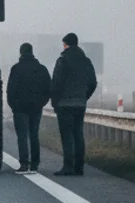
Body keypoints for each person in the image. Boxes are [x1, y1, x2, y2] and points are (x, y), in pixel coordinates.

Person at [50, 33, 97, 176]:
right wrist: (84, 97)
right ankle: (79, 167)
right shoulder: (86, 61)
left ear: (65, 44)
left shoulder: (63, 60)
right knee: (78, 134)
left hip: (64, 104)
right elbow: (93, 82)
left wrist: (55, 101)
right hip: (80, 104)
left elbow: (56, 83)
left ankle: (68, 166)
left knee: (67, 136)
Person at [7, 42, 52, 174]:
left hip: (20, 108)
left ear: (21, 52)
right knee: (34, 135)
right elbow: (48, 88)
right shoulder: (41, 69)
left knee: (22, 136)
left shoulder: (16, 68)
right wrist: (42, 102)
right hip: (36, 107)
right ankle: (35, 164)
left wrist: (13, 105)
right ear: (32, 52)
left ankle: (24, 163)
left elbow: (10, 89)